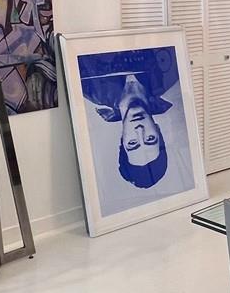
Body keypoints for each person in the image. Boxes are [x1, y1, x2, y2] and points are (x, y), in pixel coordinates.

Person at [77, 47, 181, 189]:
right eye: (150, 139)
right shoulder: (170, 76)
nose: (139, 130)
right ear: (158, 130)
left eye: (132, 143)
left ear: (123, 140)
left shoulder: (90, 89)